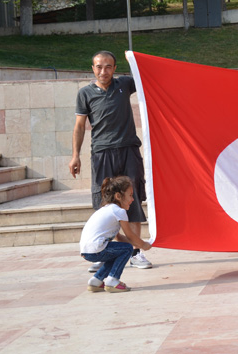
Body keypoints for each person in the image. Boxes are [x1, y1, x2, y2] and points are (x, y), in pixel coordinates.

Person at [69, 50, 153, 271]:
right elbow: (79, 126)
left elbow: (149, 77)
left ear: (115, 69)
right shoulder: (85, 93)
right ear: (92, 68)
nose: (103, 71)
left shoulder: (124, 84)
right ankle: (103, 252)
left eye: (108, 66)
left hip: (128, 150)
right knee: (104, 203)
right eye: (98, 66)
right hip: (102, 153)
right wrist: (75, 155)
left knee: (131, 199)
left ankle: (136, 252)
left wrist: (133, 60)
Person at [80, 176, 152, 292]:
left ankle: (96, 281)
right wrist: (143, 245)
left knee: (118, 251)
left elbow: (119, 238)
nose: (132, 199)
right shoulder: (119, 211)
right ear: (118, 196)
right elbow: (130, 235)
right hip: (96, 248)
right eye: (130, 195)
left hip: (86, 251)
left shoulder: (107, 209)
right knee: (127, 249)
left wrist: (137, 243)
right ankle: (112, 280)